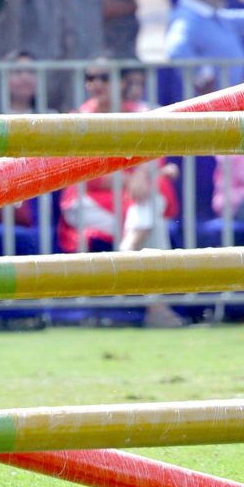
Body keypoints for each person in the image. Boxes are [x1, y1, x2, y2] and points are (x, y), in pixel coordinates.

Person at [62, 61, 182, 325]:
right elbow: (88, 174)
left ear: (121, 82)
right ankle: (155, 305)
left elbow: (156, 158)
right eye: (90, 77)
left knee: (150, 205)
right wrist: (133, 178)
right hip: (87, 202)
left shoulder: (139, 114)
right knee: (152, 218)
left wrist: (140, 173)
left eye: (105, 77)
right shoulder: (79, 118)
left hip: (127, 202)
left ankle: (127, 251)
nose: (97, 84)